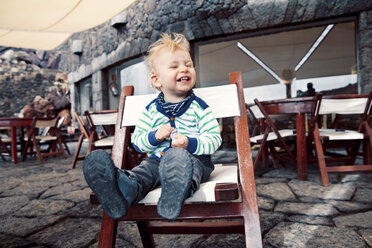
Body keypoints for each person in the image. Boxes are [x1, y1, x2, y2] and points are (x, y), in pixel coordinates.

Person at [83, 33, 222, 220]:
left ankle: (176, 192)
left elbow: (214, 140)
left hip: (194, 162)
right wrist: (155, 136)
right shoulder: (151, 111)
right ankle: (124, 188)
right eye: (174, 66)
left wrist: (189, 143)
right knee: (143, 172)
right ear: (157, 80)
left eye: (188, 65)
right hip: (157, 161)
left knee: (183, 163)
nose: (184, 69)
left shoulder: (199, 108)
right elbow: (138, 143)